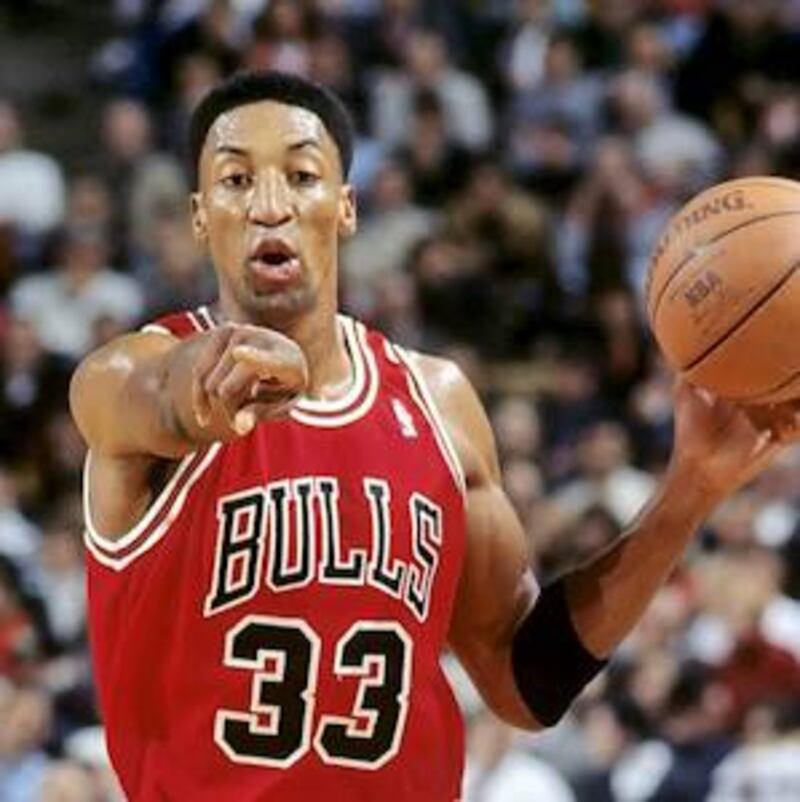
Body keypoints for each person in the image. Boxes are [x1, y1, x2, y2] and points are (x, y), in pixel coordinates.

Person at [69, 71, 800, 801]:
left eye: (301, 175)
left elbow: (524, 679)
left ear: (345, 207)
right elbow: (157, 398)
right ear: (200, 217)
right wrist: (219, 380)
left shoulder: (437, 404)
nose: (269, 205)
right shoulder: (128, 371)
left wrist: (689, 490)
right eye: (235, 180)